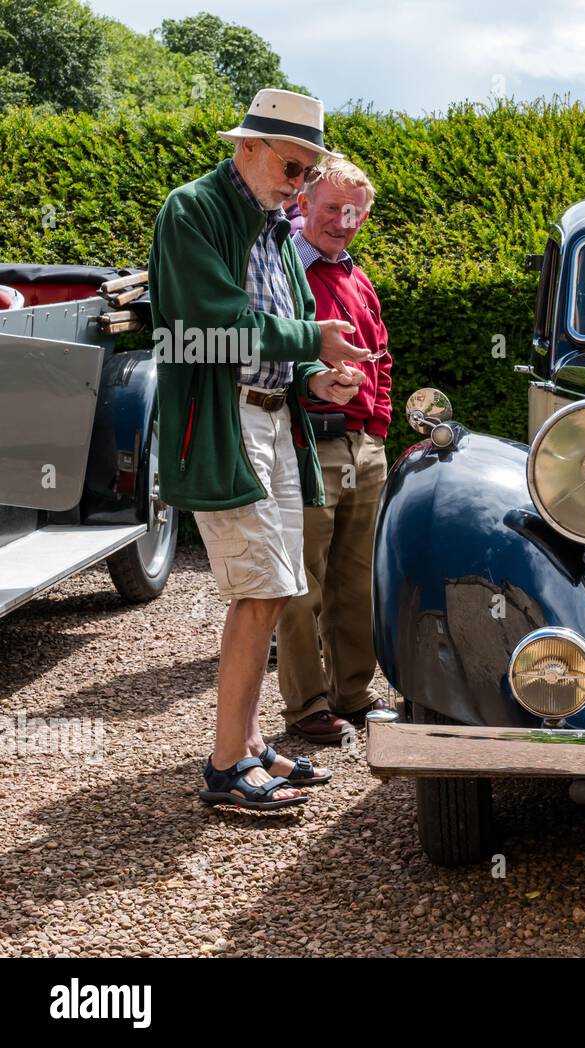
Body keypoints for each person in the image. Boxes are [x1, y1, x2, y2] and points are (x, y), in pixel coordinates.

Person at [149, 88, 373, 810]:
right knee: (264, 589)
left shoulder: (273, 223)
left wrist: (320, 377)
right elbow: (210, 322)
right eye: (290, 163)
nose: (299, 181)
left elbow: (292, 321)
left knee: (275, 588)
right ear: (245, 146)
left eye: (307, 169)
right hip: (226, 420)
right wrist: (309, 344)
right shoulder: (193, 210)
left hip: (276, 419)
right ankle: (223, 767)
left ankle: (246, 746)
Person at [277, 157, 392, 741]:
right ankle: (306, 706)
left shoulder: (356, 275)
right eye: (331, 208)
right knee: (301, 583)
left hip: (362, 446)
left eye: (354, 212)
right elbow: (268, 348)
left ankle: (353, 693)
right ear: (303, 204)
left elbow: (382, 356)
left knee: (356, 581)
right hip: (307, 440)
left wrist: (377, 429)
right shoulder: (286, 268)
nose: (343, 222)